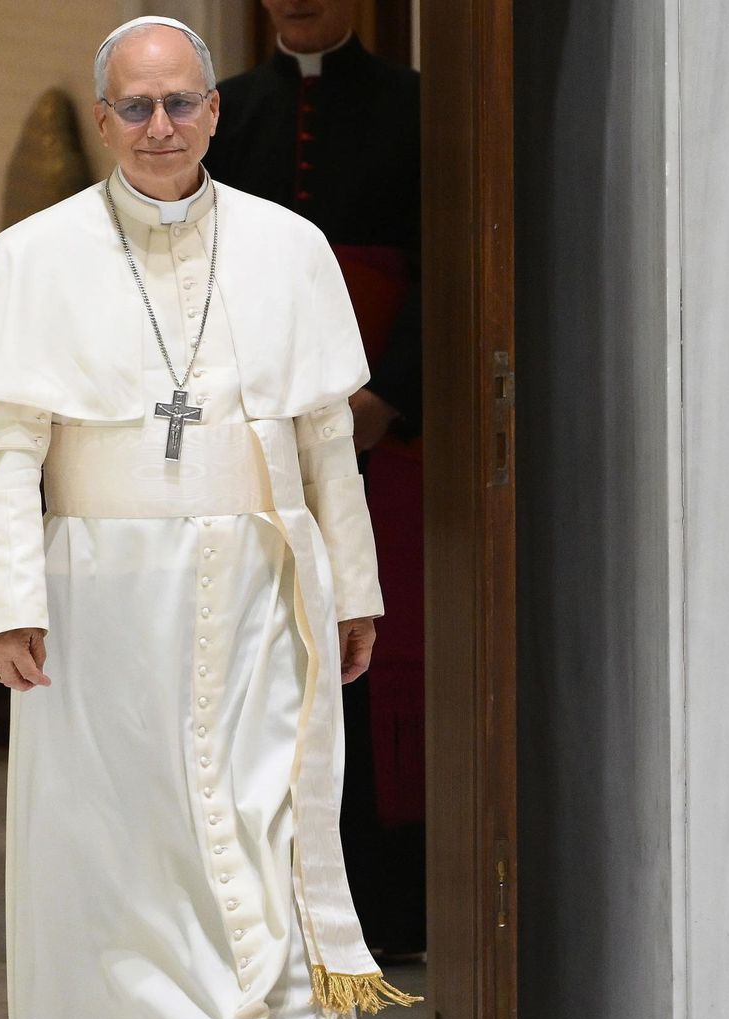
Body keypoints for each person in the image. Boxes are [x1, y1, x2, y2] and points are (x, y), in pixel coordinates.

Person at [0, 18, 415, 1019]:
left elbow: (327, 441)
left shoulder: (287, 246)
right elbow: (1, 447)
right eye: (138, 107)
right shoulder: (33, 256)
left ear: (213, 110)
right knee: (126, 840)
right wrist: (6, 601)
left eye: (182, 104)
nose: (162, 127)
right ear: (105, 120)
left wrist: (354, 587)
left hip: (260, 586)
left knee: (262, 813)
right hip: (101, 600)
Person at [205, 0, 427, 961]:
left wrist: (392, 398)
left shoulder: (418, 107)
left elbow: (446, 268)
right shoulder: (222, 113)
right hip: (251, 429)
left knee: (374, 649)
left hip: (385, 427)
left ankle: (387, 901)